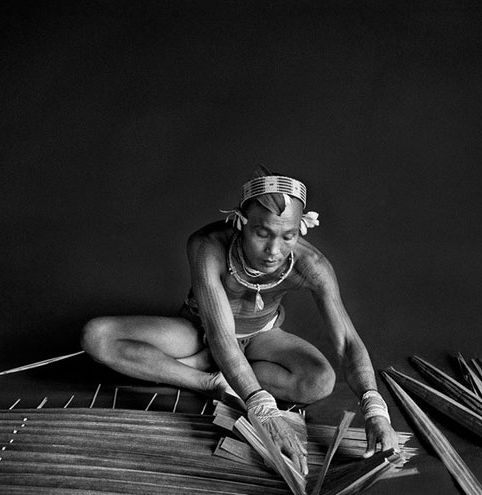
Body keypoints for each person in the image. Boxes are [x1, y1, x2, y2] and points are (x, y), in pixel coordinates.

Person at [81, 167, 399, 471]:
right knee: (97, 336)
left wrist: (375, 410)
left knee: (319, 381)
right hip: (201, 331)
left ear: (301, 228)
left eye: (288, 236)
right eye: (262, 233)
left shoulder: (310, 265)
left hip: (262, 337)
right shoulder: (208, 246)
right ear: (241, 222)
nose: (274, 250)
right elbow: (220, 335)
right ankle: (210, 381)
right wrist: (262, 408)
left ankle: (220, 374)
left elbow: (346, 342)